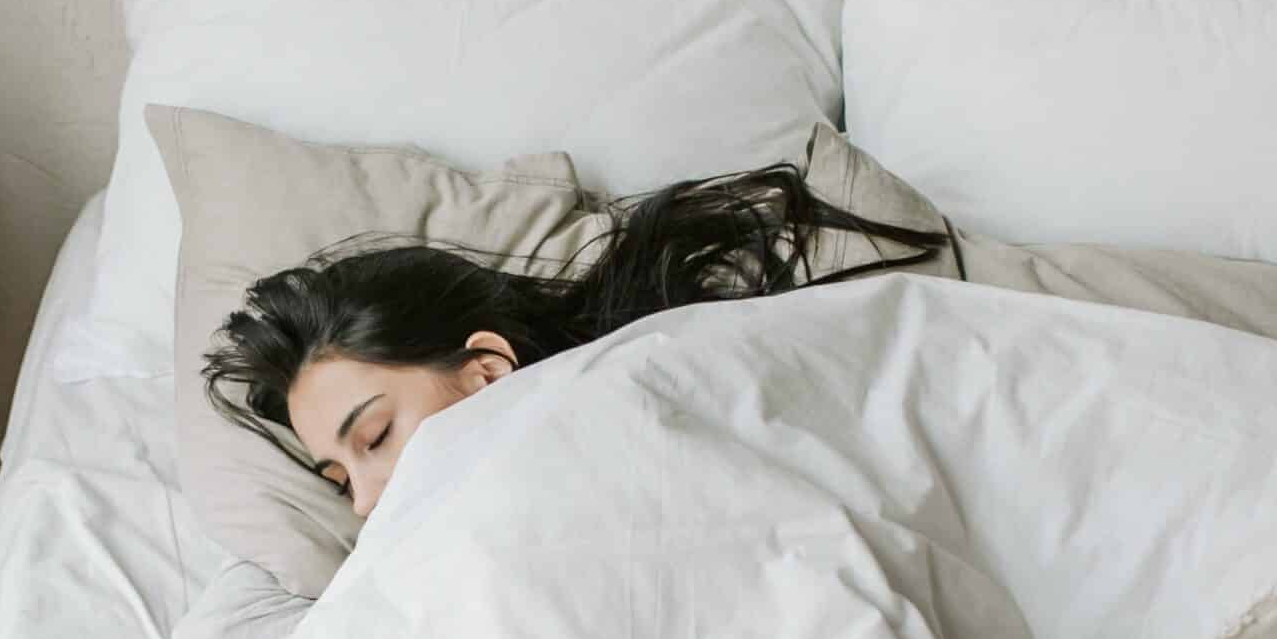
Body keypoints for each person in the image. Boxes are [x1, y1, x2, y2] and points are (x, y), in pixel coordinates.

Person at [205, 162, 950, 517]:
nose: (364, 505)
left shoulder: (647, 383)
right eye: (339, 482)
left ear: (485, 373)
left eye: (374, 437)